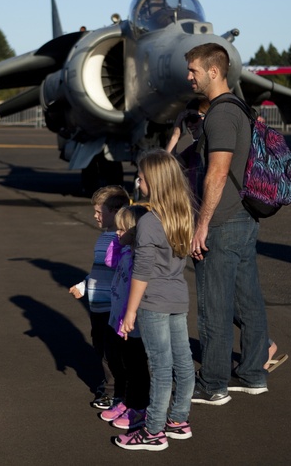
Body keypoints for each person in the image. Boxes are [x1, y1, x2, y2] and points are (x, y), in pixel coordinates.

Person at [185, 42, 269, 406]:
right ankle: (252, 374)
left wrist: (202, 223)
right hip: (244, 217)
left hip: (221, 220)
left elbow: (218, 171)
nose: (189, 77)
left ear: (214, 72)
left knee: (214, 306)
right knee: (247, 301)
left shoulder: (220, 114)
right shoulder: (240, 108)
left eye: (194, 71)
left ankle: (214, 383)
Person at [116, 149, 195, 451]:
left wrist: (130, 312)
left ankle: (152, 432)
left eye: (142, 175)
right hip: (178, 298)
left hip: (154, 301)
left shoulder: (149, 222)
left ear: (155, 181)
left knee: (161, 368)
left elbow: (142, 272)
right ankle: (178, 420)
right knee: (183, 363)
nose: (138, 178)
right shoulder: (183, 213)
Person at [69, 185, 131, 409]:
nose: (95, 216)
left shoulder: (122, 239)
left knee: (112, 352)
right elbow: (98, 271)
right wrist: (84, 286)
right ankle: (112, 387)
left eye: (99, 211)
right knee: (100, 347)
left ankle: (114, 391)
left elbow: (125, 273)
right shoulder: (104, 237)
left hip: (113, 307)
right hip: (97, 305)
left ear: (116, 211)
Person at [102, 204, 151, 430]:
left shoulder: (138, 260)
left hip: (132, 324)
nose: (117, 233)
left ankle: (139, 406)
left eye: (122, 230)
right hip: (118, 321)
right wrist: (119, 240)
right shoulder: (124, 252)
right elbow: (108, 261)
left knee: (136, 366)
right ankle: (128, 401)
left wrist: (125, 320)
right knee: (124, 363)